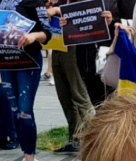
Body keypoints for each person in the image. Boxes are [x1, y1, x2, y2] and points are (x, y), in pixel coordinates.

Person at [2, 0, 52, 161]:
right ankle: (26, 158)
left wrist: (34, 36)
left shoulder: (35, 1)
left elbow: (48, 32)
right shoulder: (0, 1)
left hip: (28, 60)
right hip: (5, 60)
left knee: (25, 111)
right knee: (14, 110)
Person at [46, 1, 95, 152]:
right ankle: (74, 139)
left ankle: (95, 140)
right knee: (65, 97)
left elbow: (87, 10)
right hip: (57, 44)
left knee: (79, 96)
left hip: (75, 47)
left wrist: (58, 10)